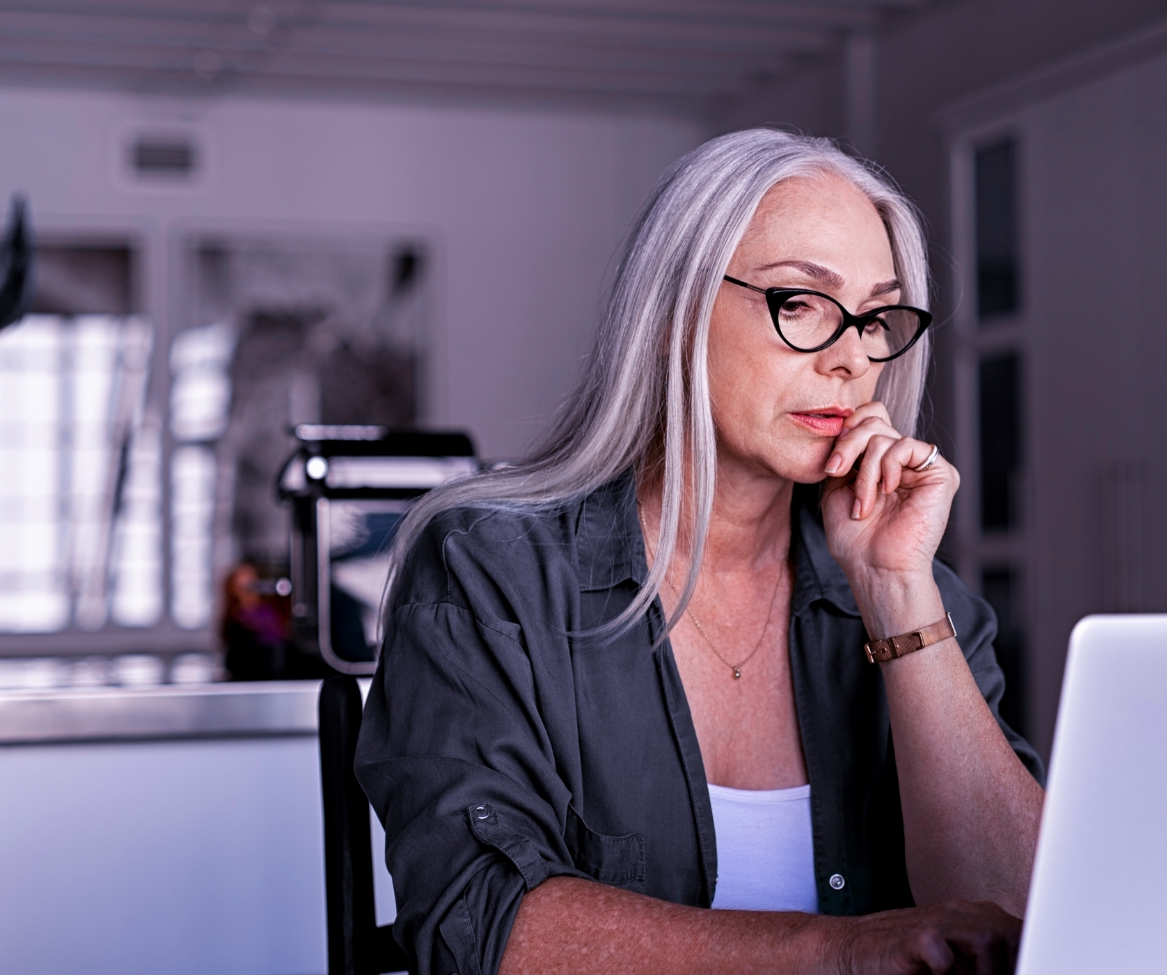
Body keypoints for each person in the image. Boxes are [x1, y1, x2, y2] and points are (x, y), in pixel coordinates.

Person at [356, 128, 1045, 975]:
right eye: (800, 303)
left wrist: (896, 594)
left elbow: (1030, 922)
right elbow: (477, 923)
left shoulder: (913, 591)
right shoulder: (487, 571)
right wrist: (838, 952)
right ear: (677, 306)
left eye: (874, 317)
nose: (851, 357)